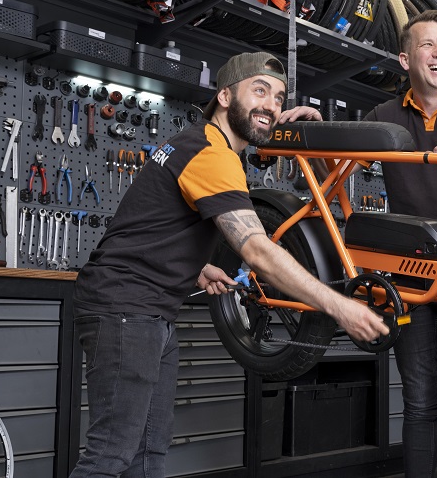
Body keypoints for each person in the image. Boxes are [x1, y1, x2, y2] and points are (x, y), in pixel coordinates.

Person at [70, 52, 389, 477]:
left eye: (277, 97)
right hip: (128, 311)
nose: (271, 105)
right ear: (224, 96)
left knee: (146, 457)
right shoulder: (210, 153)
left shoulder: (203, 143)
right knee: (109, 456)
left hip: (147, 312)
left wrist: (196, 268)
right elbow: (256, 250)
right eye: (259, 91)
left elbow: (147, 225)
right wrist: (339, 306)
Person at [279, 10, 437, 477]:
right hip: (406, 270)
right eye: (427, 46)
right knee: (420, 401)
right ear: (405, 59)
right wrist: (315, 133)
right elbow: (332, 178)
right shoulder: (384, 116)